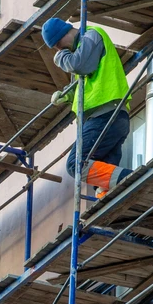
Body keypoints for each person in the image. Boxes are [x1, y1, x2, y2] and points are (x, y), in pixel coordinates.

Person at [42, 17, 132, 197]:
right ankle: (111, 197)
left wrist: (60, 57)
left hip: (105, 113)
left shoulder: (91, 36)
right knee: (105, 182)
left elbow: (80, 65)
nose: (59, 49)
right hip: (112, 115)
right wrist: (67, 95)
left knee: (76, 165)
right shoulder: (81, 48)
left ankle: (132, 178)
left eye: (58, 44)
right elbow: (85, 83)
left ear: (65, 33)